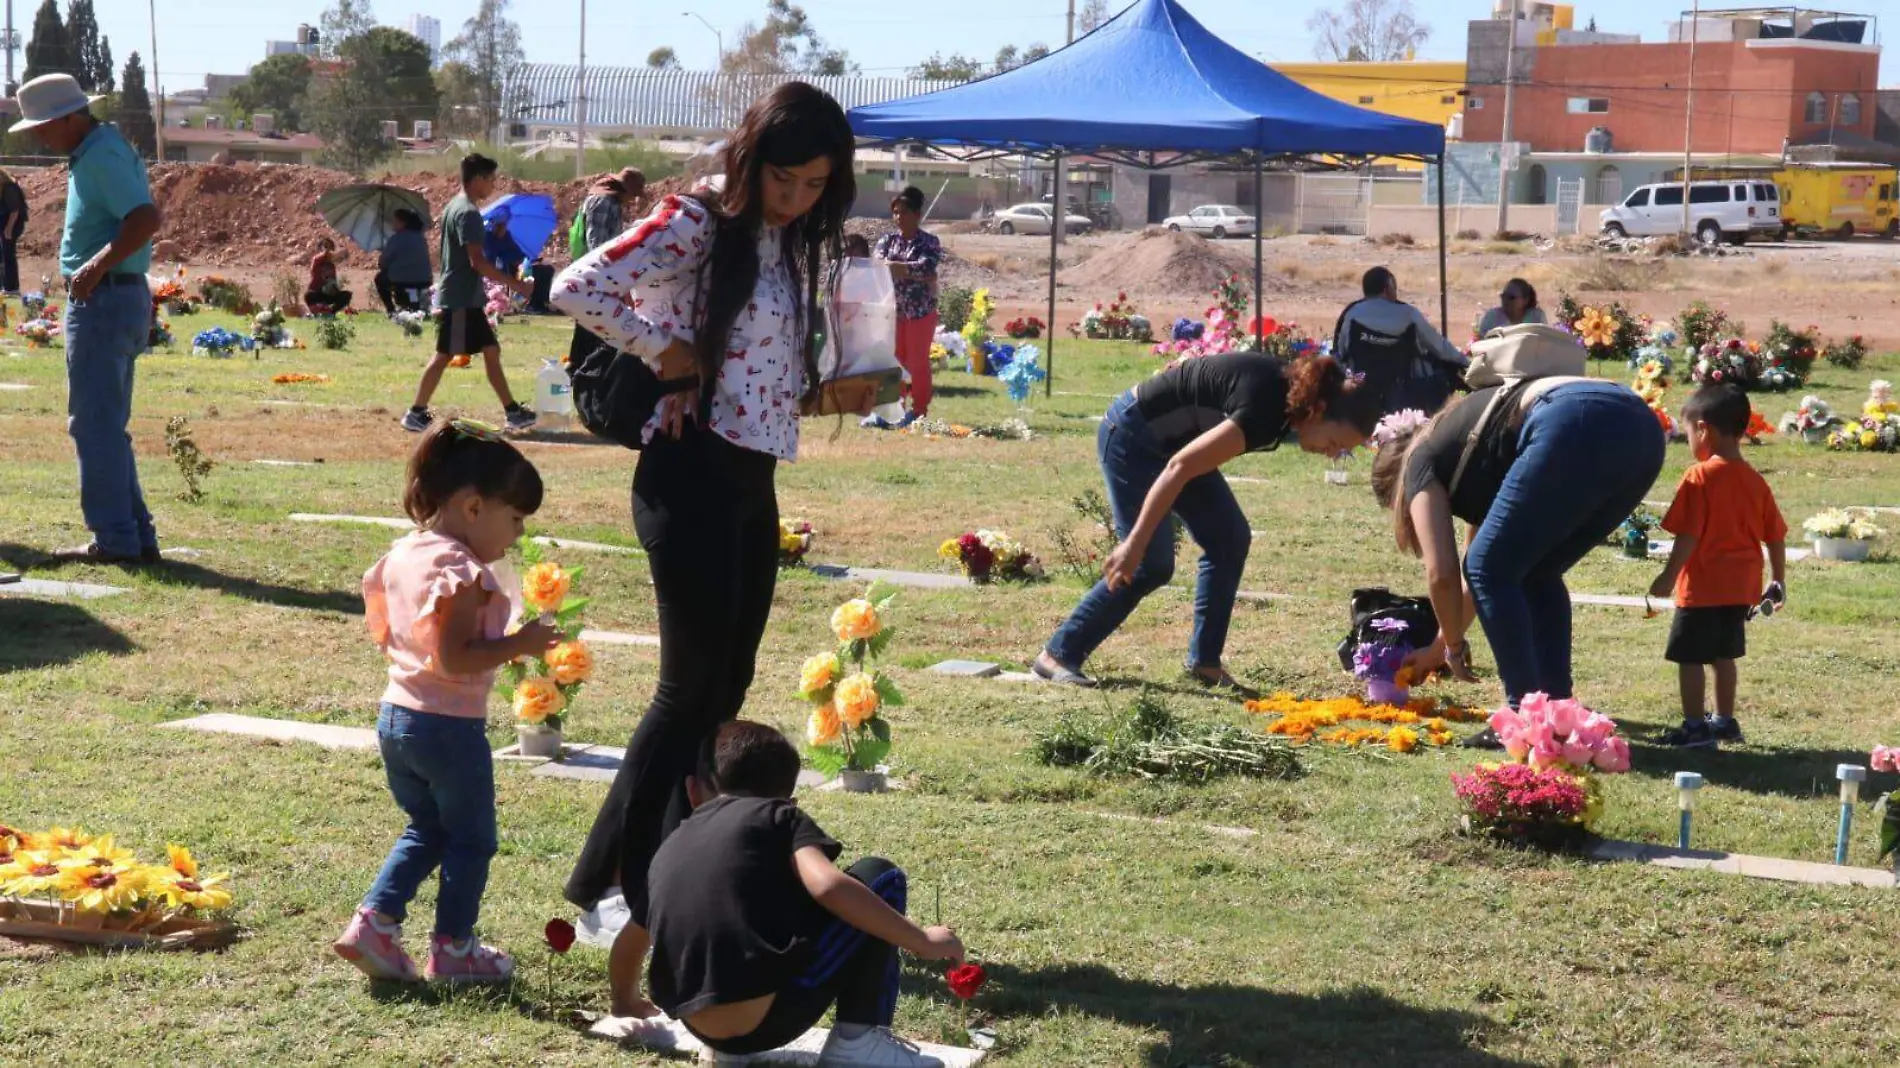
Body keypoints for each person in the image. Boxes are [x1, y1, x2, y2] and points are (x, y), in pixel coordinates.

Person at [551, 82, 862, 1019]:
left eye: (817, 184)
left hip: (749, 476)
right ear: (752, 157)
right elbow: (577, 286)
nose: (798, 197)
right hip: (685, 472)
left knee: (726, 685)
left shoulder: (785, 242)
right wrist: (662, 351)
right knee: (688, 691)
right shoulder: (697, 220)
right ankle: (619, 889)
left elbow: (761, 364)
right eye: (786, 176)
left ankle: (648, 877)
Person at [334, 418, 559, 984]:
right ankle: (454, 949)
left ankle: (373, 925)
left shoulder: (407, 552)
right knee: (472, 839)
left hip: (398, 717)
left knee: (426, 829)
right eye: (515, 519)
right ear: (473, 506)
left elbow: (393, 633)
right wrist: (520, 644)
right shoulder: (461, 571)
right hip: (447, 728)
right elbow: (455, 658)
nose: (517, 536)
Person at [1033, 353, 1384, 691]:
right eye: (1335, 442)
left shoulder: (1290, 399)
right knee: (1148, 564)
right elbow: (1179, 468)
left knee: (1228, 539)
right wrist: (1135, 542)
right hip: (1134, 439)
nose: (1331, 453)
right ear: (1319, 409)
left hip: (1175, 446)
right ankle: (1059, 655)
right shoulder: (1265, 408)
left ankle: (1205, 663)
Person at [644, 721, 964, 1067]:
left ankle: (728, 1052)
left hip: (697, 1023)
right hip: (768, 1020)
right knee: (879, 877)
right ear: (789, 797)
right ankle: (858, 1041)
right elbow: (828, 885)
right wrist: (922, 940)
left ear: (698, 791)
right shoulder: (779, 816)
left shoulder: (676, 839)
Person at [1370, 377, 1665, 740]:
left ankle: (1521, 717)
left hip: (1574, 418)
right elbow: (1486, 574)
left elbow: (1445, 574)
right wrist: (1438, 648)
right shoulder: (1466, 452)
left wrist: (1455, 647)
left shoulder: (1420, 458)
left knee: (1492, 567)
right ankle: (1557, 711)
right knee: (1536, 571)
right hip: (1642, 429)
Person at [13, 74, 163, 565]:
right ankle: (134, 534)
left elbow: (144, 218)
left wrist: (94, 267)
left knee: (94, 426)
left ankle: (115, 539)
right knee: (106, 426)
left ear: (70, 117)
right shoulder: (104, 148)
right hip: (120, 297)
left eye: (42, 127)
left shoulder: (98, 157)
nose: (39, 137)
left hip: (104, 299)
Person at [1649, 385, 1787, 748]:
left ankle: (1695, 727)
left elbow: (1689, 535)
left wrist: (1668, 575)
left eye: (1689, 432)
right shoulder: (1755, 482)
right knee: (1724, 655)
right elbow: (1775, 535)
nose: (1689, 440)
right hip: (1741, 588)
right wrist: (1778, 580)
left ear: (1704, 429)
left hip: (1702, 588)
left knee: (1690, 657)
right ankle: (1724, 722)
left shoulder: (1699, 477)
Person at [401, 155, 536, 434]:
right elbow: (478, 262)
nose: (493, 186)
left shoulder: (455, 206)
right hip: (461, 297)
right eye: (491, 180)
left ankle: (512, 411)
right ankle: (415, 413)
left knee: (490, 349)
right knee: (444, 354)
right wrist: (517, 284)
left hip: (465, 296)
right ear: (478, 180)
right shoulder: (469, 213)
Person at [1333, 266, 1468, 415]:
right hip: (1404, 393)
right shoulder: (1408, 314)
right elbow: (1439, 347)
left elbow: (1341, 351)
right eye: (1394, 288)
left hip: (1361, 390)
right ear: (1386, 289)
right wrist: (1465, 362)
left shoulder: (1351, 313)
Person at [865, 186, 942, 429]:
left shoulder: (930, 242)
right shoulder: (887, 240)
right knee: (893, 360)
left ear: (917, 214)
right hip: (893, 313)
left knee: (917, 363)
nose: (899, 217)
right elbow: (877, 264)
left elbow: (927, 268)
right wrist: (912, 270)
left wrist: (902, 268)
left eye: (904, 212)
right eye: (896, 212)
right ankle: (893, 409)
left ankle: (919, 411)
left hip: (920, 313)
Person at [376, 209, 431, 315]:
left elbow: (383, 263)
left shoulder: (396, 239)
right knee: (412, 290)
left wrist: (382, 259)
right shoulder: (420, 237)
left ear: (403, 223)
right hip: (424, 279)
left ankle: (390, 309)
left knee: (380, 279)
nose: (393, 224)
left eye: (395, 221)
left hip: (402, 280)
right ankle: (414, 306)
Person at [580, 167, 647, 253]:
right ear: (625, 190)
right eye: (633, 195)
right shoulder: (604, 203)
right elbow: (597, 243)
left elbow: (612, 230)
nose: (632, 199)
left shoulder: (611, 201)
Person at [1474, 278, 1546, 338]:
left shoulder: (1536, 317)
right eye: (1503, 296)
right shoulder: (1492, 317)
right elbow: (1481, 344)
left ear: (1525, 300)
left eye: (1511, 297)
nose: (1505, 300)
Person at [305, 237, 353, 313]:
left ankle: (331, 312)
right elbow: (326, 254)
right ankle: (317, 311)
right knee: (309, 295)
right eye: (326, 246)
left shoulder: (331, 266)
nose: (328, 249)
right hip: (317, 293)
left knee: (346, 295)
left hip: (327, 294)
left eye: (330, 247)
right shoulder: (316, 261)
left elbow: (333, 282)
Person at [0, 168, 28, 294]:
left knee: (8, 255)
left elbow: (15, 210)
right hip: (4, 223)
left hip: (12, 225)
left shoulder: (9, 188)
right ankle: (4, 285)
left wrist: (8, 229)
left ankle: (12, 288)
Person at [484, 212, 526, 279]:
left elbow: (519, 256)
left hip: (509, 272)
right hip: (495, 274)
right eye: (498, 225)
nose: (502, 228)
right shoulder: (487, 238)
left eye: (503, 225)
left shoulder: (508, 236)